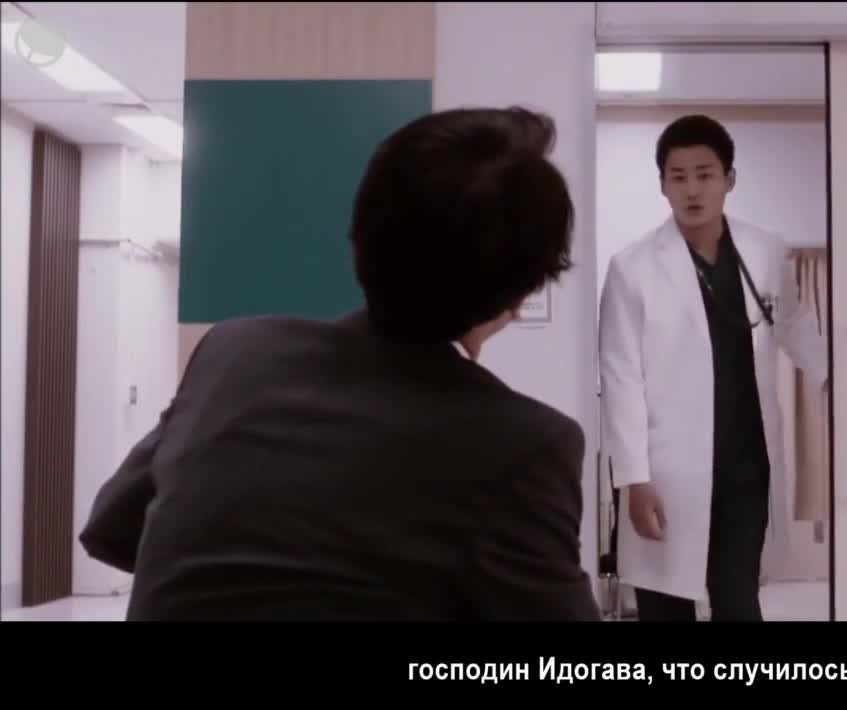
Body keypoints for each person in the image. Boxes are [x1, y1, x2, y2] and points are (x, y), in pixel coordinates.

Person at [79, 106, 601, 622]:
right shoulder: (525, 445)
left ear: (357, 239)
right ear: (522, 294)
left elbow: (114, 529)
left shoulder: (233, 353)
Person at [599, 114, 827, 622]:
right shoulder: (632, 268)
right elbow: (620, 379)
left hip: (746, 462)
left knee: (740, 601)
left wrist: (835, 378)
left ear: (729, 179)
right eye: (678, 177)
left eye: (705, 174)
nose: (692, 190)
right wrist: (633, 477)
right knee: (665, 605)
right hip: (667, 468)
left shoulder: (765, 250)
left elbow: (793, 324)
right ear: (662, 185)